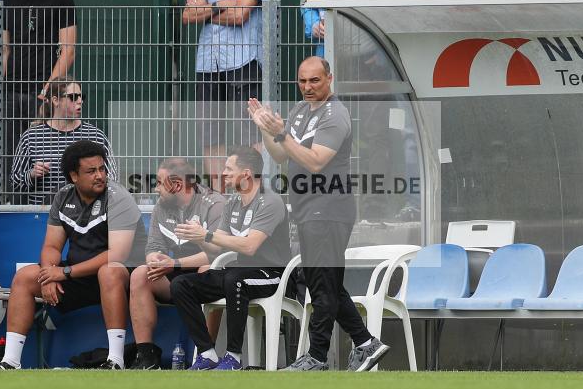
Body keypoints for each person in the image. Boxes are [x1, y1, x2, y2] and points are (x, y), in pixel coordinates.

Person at [250, 56, 389, 371]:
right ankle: (366, 343)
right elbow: (282, 155)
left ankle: (317, 356)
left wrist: (282, 134)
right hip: (307, 209)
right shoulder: (300, 110)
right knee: (323, 282)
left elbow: (315, 161)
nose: (307, 87)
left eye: (314, 80)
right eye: (302, 81)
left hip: (329, 209)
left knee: (323, 284)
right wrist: (266, 130)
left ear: (330, 78)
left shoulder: (335, 114)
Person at [0, 140, 147, 370]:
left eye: (102, 169)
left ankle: (115, 360)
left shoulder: (119, 197)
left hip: (124, 277)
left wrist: (64, 272)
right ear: (74, 176)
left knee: (109, 271)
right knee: (25, 277)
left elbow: (117, 254)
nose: (100, 175)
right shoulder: (63, 197)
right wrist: (49, 275)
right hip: (79, 275)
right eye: (91, 171)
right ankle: (10, 361)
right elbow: (52, 247)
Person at [170, 146, 291, 370]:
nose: (223, 173)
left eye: (229, 168)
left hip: (272, 275)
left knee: (234, 279)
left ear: (246, 174)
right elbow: (216, 247)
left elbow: (250, 246)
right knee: (181, 285)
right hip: (238, 273)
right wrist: (198, 236)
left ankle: (233, 357)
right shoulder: (233, 202)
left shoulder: (270, 201)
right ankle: (207, 353)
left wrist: (206, 234)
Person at [182, 0, 271, 191]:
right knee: (210, 135)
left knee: (249, 133)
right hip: (208, 62)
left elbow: (242, 14)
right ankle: (218, 198)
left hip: (244, 61)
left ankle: (251, 194)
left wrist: (209, 8)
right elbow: (187, 15)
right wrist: (222, 5)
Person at [128, 157, 226, 369]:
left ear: (178, 185)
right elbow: (153, 246)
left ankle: (206, 354)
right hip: (175, 271)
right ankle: (146, 356)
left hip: (199, 272)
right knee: (140, 274)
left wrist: (175, 263)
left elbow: (217, 254)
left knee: (208, 269)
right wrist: (155, 259)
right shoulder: (162, 206)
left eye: (160, 183)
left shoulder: (215, 204)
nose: (156, 189)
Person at [2, 0, 76, 193]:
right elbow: (5, 49)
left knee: (46, 155)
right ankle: (10, 203)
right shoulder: (7, 0)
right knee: (11, 155)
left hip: (44, 93)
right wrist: (1, 88)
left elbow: (68, 51)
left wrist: (48, 92)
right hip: (11, 93)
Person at [9, 79, 118, 205]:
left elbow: (113, 180)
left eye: (81, 97)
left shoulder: (95, 136)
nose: (80, 101)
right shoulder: (31, 137)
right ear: (56, 100)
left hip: (85, 213)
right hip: (43, 212)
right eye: (73, 97)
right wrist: (32, 174)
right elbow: (14, 183)